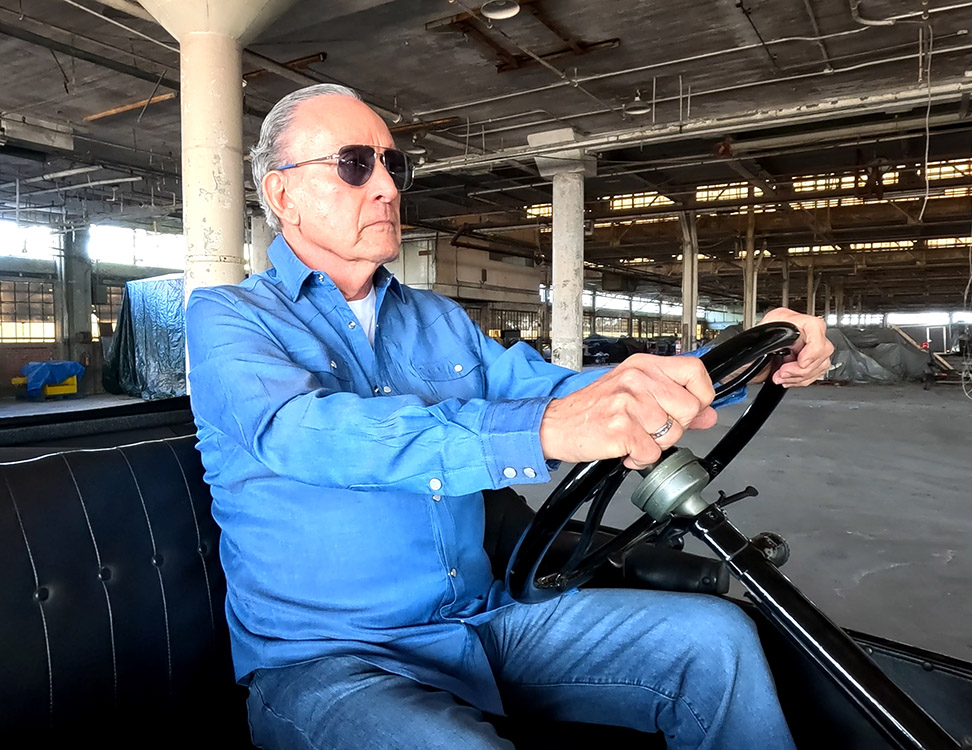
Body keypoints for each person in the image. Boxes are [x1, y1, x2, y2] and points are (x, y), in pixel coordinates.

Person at [186, 84, 834, 750]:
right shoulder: (228, 318)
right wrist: (546, 429)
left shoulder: (436, 321)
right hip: (332, 662)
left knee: (716, 641)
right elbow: (313, 434)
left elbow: (563, 387)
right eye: (355, 164)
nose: (385, 186)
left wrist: (735, 365)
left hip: (481, 621)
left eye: (393, 165)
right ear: (283, 193)